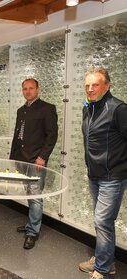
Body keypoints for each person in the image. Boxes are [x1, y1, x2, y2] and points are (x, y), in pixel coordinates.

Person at [78, 68, 127, 279]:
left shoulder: (118, 109)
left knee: (102, 221)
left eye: (95, 85)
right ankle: (104, 259)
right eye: (87, 85)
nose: (90, 89)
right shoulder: (89, 108)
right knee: (103, 222)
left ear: (107, 85)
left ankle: (103, 270)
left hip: (113, 177)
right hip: (95, 175)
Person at [10, 78, 58, 249]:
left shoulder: (47, 108)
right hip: (21, 159)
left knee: (36, 197)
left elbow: (52, 135)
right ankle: (32, 224)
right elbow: (18, 136)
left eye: (31, 88)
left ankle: (32, 232)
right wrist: (13, 158)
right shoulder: (21, 110)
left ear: (38, 89)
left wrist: (42, 157)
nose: (28, 91)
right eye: (25, 89)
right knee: (30, 195)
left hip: (36, 161)